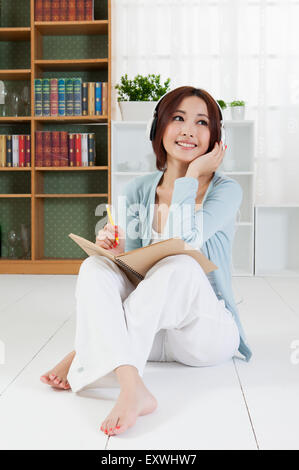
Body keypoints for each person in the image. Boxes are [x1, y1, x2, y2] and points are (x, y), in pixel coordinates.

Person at [40, 86, 252, 437]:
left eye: (202, 122)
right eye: (178, 118)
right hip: (150, 333)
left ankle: (87, 354)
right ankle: (131, 383)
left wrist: (190, 177)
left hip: (203, 333)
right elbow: (135, 272)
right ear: (159, 128)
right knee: (95, 267)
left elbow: (186, 242)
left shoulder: (225, 190)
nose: (188, 130)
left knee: (180, 264)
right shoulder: (138, 190)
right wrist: (112, 250)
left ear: (215, 138)